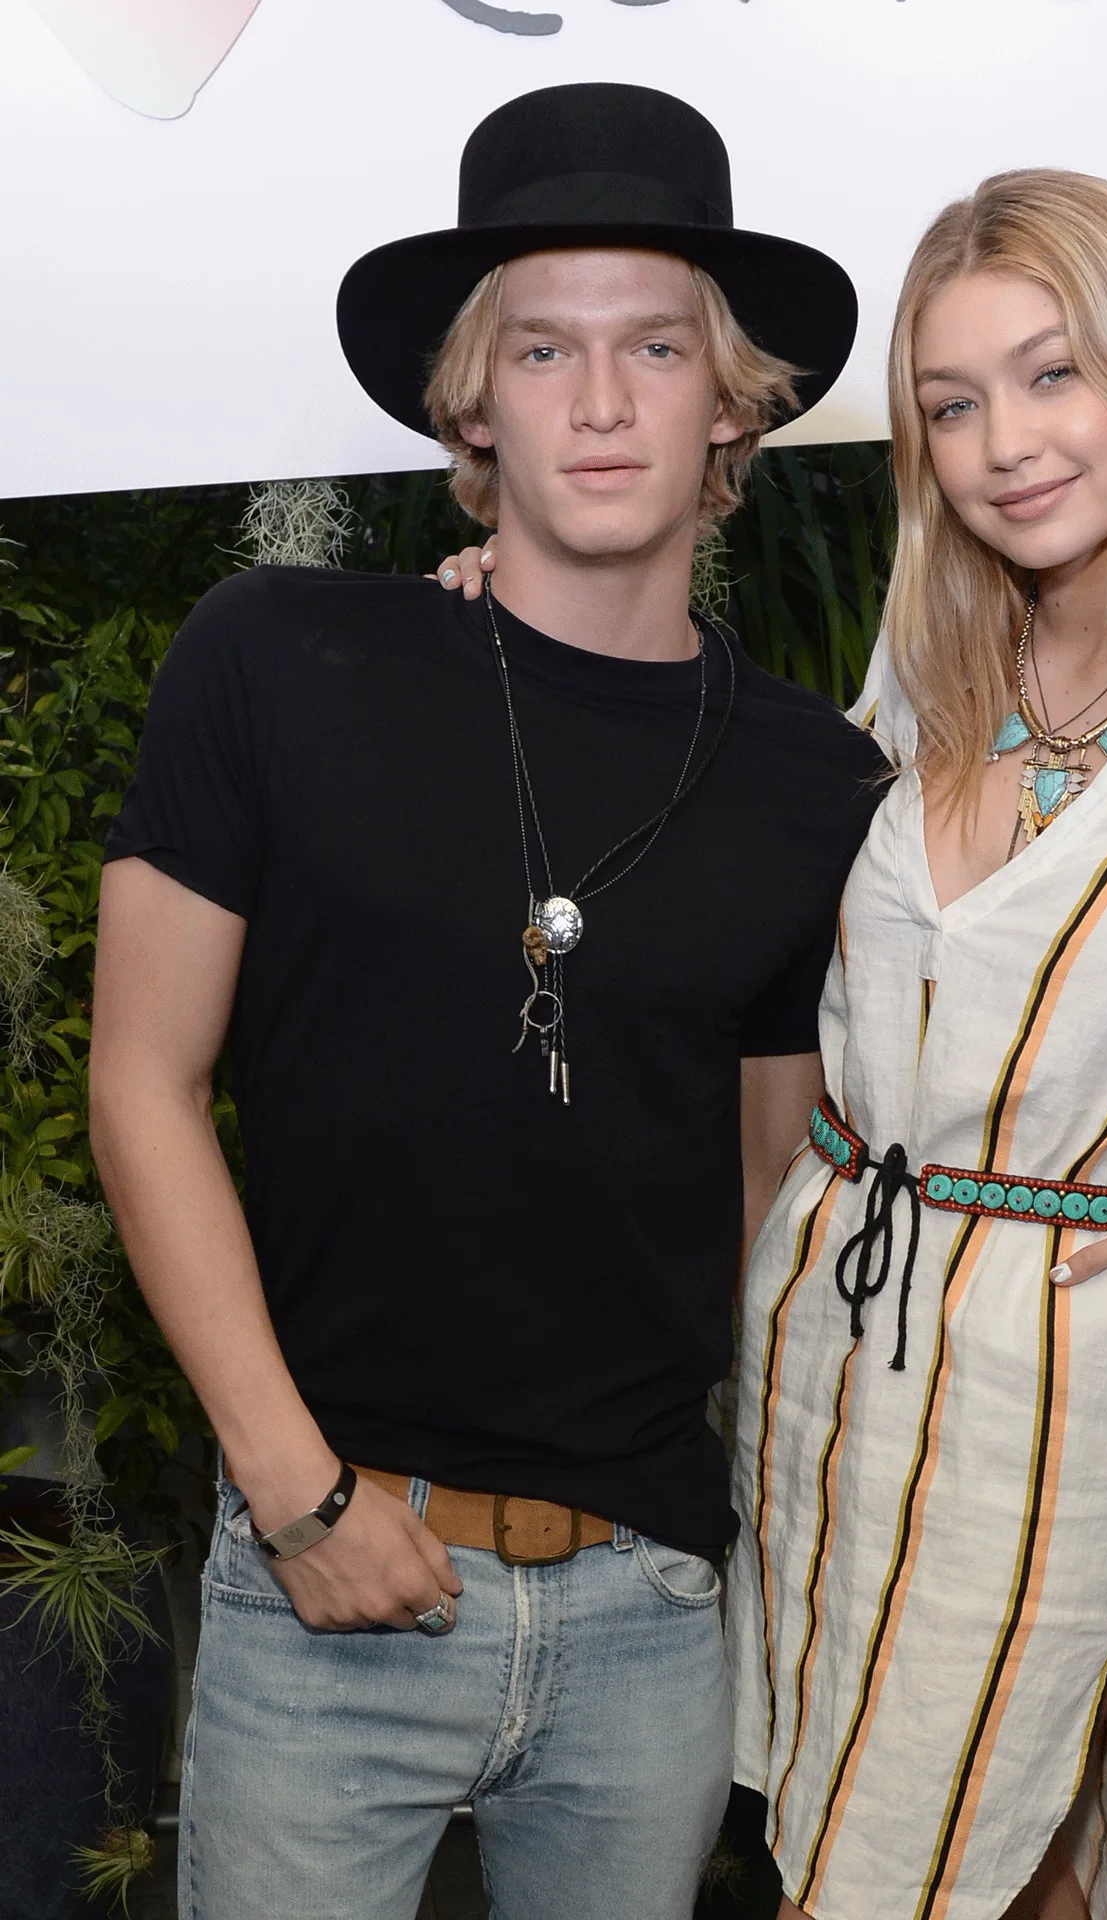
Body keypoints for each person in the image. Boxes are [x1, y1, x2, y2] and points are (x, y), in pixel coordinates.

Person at [443, 169, 1107, 1920]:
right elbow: (744, 881)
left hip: (1045, 1364)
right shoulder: (936, 660)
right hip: (814, 1327)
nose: (1003, 444)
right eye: (951, 405)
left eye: (1052, 377)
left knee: (975, 1853)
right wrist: (516, 636)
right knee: (814, 1830)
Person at [87, 84, 882, 1920]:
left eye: (656, 347)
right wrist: (295, 1495)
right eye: (544, 347)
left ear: (736, 400)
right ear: (471, 401)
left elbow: (770, 1187)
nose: (601, 402)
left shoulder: (809, 782)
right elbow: (141, 1084)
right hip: (326, 1575)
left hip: (652, 1611)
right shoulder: (280, 662)